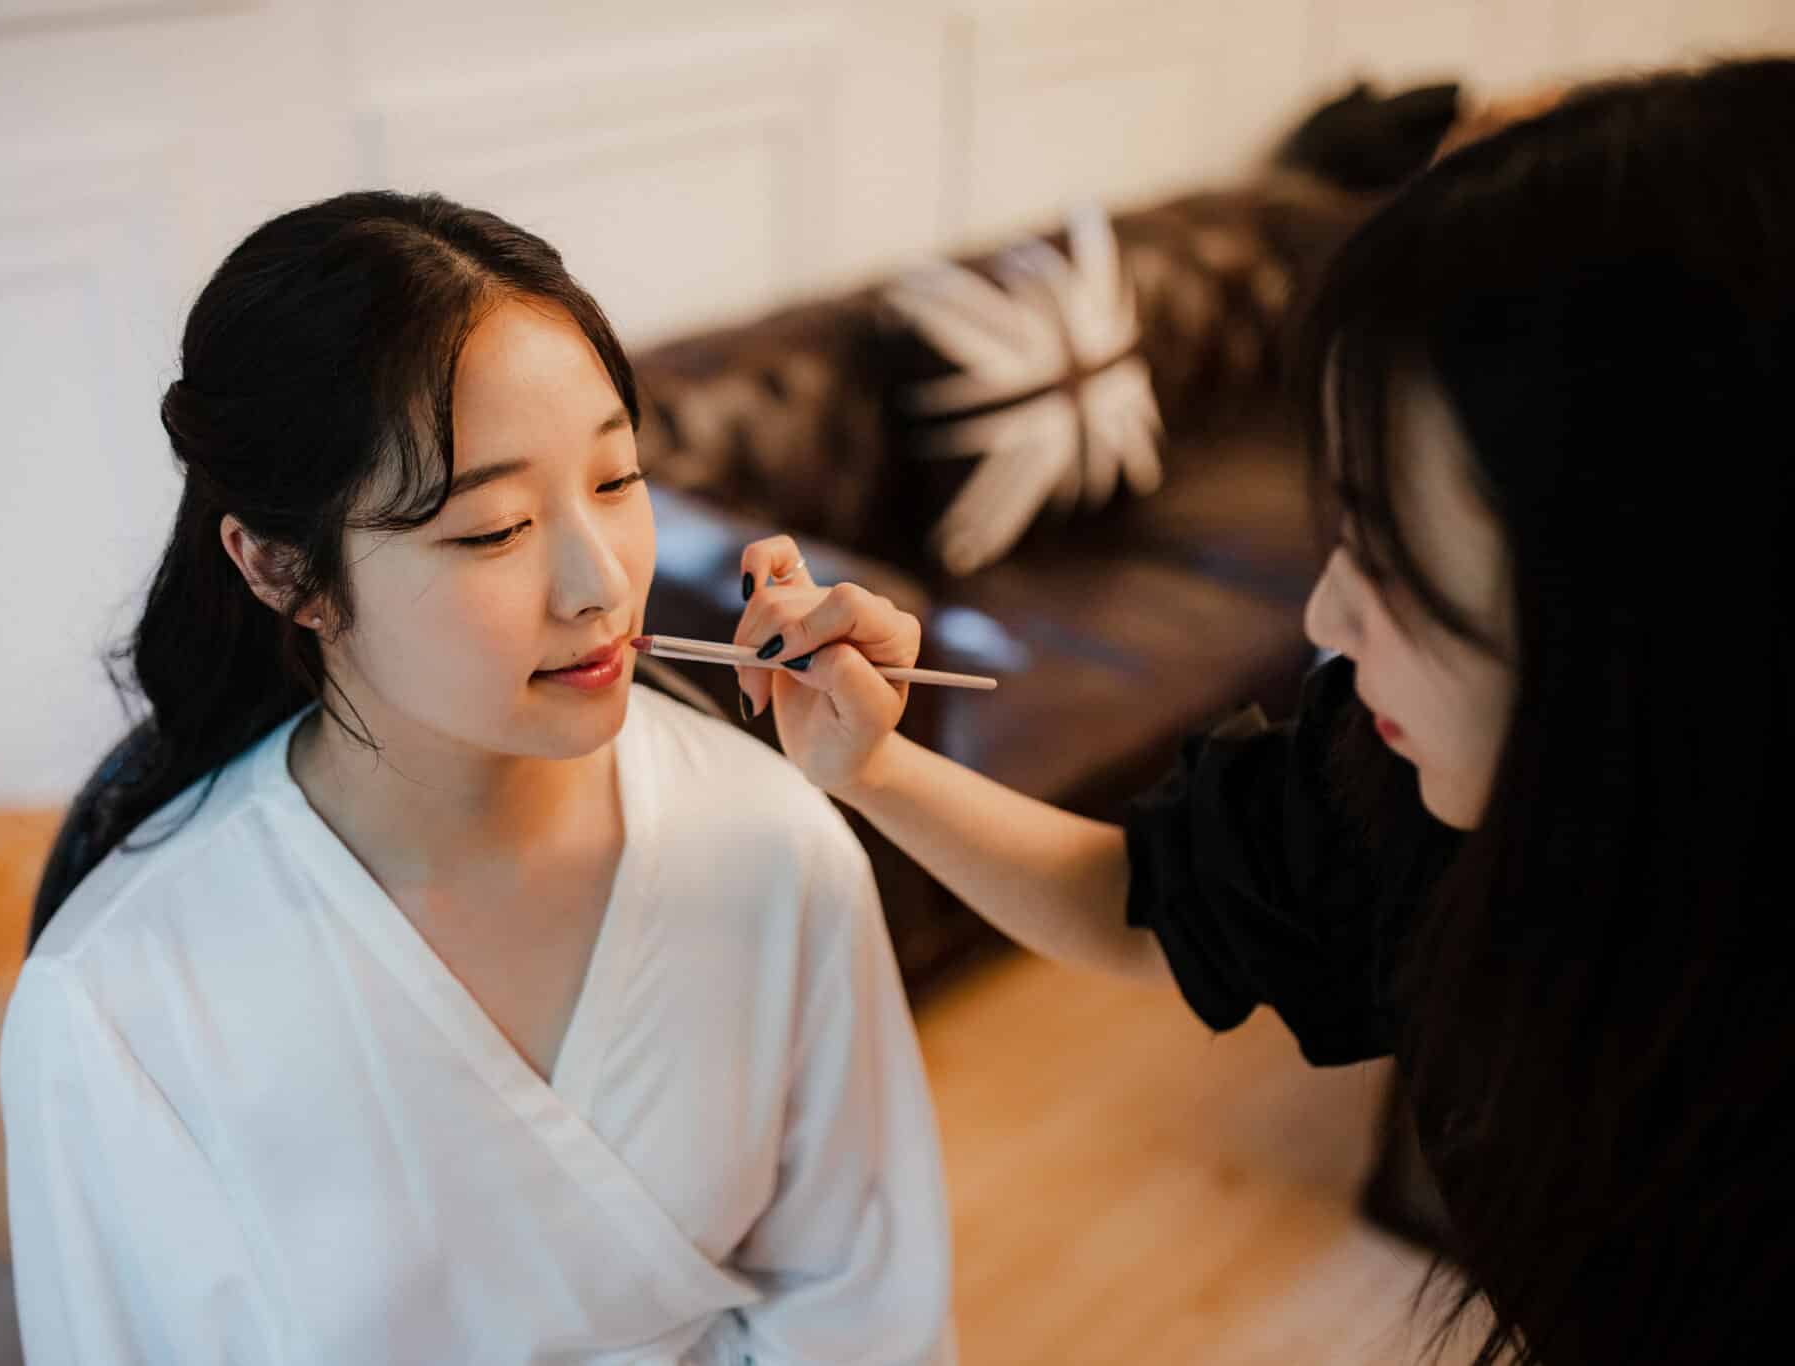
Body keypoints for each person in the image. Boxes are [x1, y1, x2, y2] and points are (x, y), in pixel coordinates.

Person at [726, 58, 1795, 1366]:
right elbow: (1143, 900)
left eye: (1396, 564)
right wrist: (872, 765)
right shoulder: (1405, 790)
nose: (1327, 622)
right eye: (1337, 530)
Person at [0, 191, 953, 1366]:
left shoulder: (771, 839)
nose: (598, 583)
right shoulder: (116, 1004)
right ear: (278, 563)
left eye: (615, 480)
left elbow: (861, 1305)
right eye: (492, 528)